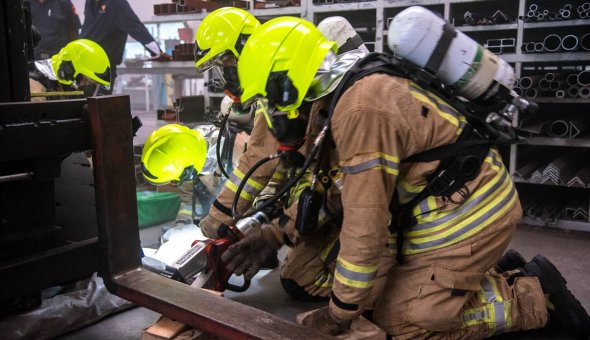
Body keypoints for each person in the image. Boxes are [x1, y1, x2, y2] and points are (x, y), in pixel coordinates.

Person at [219, 17, 590, 339]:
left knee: (403, 323)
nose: (272, 110)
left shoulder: (360, 108)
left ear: (288, 79)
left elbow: (364, 223)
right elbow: (333, 189)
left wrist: (339, 315)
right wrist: (271, 234)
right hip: (432, 209)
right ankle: (470, 277)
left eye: (269, 97)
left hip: (467, 217)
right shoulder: (340, 96)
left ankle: (531, 296)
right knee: (324, 281)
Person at [80, 0, 171, 91]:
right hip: (95, 66)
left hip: (85, 63)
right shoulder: (112, 3)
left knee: (87, 102)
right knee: (95, 102)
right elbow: (136, 28)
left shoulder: (100, 3)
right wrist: (157, 52)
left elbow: (136, 28)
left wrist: (157, 52)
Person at [29, 38, 111, 102]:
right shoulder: (36, 93)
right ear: (67, 70)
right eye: (85, 79)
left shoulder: (66, 87)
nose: (85, 85)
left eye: (91, 83)